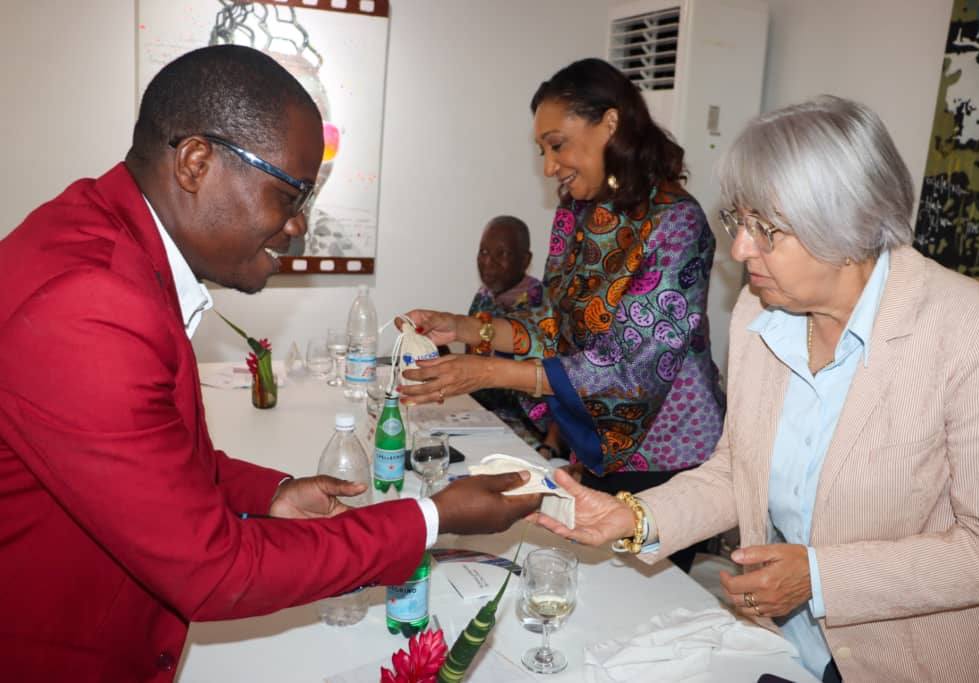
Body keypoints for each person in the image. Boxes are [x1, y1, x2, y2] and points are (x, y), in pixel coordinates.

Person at [0, 45, 539, 681]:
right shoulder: (88, 304)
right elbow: (214, 571)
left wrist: (273, 494)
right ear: (197, 162)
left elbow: (150, 460)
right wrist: (432, 517)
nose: (296, 226)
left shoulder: (104, 241)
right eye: (289, 195)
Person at [533, 96, 979, 682]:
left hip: (913, 661)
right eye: (737, 222)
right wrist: (633, 517)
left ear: (849, 224)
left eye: (765, 229)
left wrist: (819, 577)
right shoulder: (760, 313)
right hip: (785, 646)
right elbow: (738, 469)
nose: (740, 250)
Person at [399, 58, 725, 572]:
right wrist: (469, 328)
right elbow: (555, 327)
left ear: (610, 124)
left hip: (664, 458)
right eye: (543, 151)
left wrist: (486, 369)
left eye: (557, 145)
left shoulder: (677, 223)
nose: (550, 167)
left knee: (645, 611)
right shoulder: (577, 212)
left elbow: (632, 370)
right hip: (592, 440)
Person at [467, 215, 551, 449]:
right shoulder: (484, 296)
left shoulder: (540, 303)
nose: (489, 262)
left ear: (525, 260)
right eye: (483, 252)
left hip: (528, 427)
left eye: (501, 254)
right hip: (482, 415)